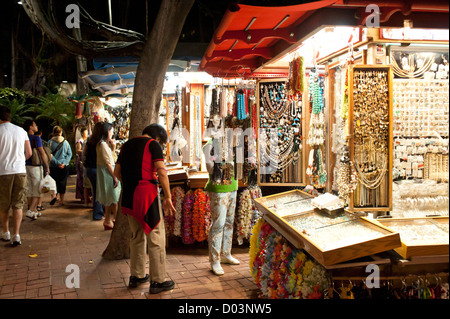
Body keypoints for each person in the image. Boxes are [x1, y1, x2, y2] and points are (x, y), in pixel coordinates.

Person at [114, 123, 175, 294]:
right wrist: (168, 197)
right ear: (157, 138)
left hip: (128, 195)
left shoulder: (126, 145)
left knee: (136, 236)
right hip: (146, 194)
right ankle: (157, 281)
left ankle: (137, 276)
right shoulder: (152, 145)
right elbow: (161, 172)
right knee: (156, 236)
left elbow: (116, 172)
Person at [203, 114, 240, 276]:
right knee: (218, 223)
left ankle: (226, 253)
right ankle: (215, 260)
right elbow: (210, 169)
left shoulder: (229, 145)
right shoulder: (209, 147)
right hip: (218, 189)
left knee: (230, 222)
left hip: (232, 186)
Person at [0, 105, 32, 246]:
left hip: (3, 171)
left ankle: (6, 232)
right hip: (20, 171)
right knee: (18, 204)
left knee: (3, 205)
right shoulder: (21, 131)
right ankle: (16, 235)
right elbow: (29, 152)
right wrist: (19, 161)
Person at [23, 120, 50, 220]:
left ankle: (33, 211)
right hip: (35, 166)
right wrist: (47, 166)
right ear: (30, 127)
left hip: (25, 165)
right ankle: (31, 210)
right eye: (35, 125)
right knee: (38, 189)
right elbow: (42, 153)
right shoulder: (36, 138)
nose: (36, 126)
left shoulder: (23, 137)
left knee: (29, 189)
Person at [96, 122, 121, 230]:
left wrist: (113, 147)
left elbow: (111, 158)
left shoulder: (103, 144)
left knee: (110, 199)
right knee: (114, 199)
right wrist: (115, 176)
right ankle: (115, 221)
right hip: (108, 173)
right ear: (107, 132)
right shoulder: (102, 145)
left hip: (107, 173)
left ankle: (108, 220)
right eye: (111, 130)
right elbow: (108, 163)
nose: (112, 133)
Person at [83, 122, 104, 220]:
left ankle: (98, 212)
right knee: (98, 192)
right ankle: (98, 214)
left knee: (96, 191)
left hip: (89, 169)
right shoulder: (100, 143)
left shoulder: (90, 140)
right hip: (96, 169)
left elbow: (84, 154)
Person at [48, 126, 72, 206]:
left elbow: (49, 155)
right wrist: (64, 163)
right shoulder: (66, 142)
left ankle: (54, 196)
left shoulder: (50, 142)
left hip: (53, 166)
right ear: (61, 132)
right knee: (62, 182)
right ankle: (62, 200)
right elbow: (69, 154)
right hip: (63, 166)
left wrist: (57, 163)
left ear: (53, 132)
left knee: (53, 182)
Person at [75, 126, 91, 206]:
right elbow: (78, 151)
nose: (87, 133)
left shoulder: (87, 140)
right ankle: (83, 197)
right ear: (82, 133)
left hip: (85, 160)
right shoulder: (80, 141)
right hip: (81, 161)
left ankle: (87, 197)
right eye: (85, 132)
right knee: (81, 179)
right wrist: (85, 150)